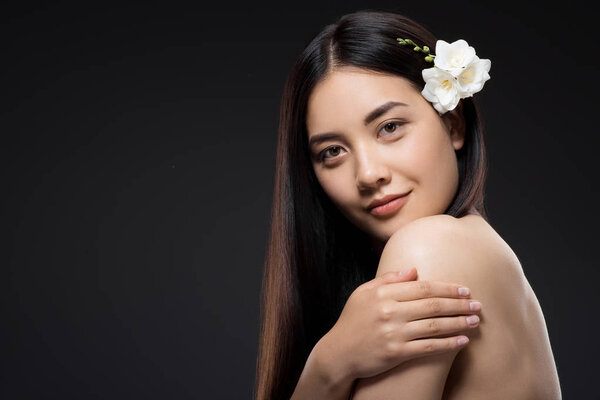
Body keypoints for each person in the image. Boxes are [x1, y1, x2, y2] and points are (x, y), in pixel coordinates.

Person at [254, 9, 561, 400]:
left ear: (453, 123)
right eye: (333, 151)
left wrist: (326, 366)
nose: (368, 174)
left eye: (390, 127)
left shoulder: (430, 248)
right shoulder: (476, 247)